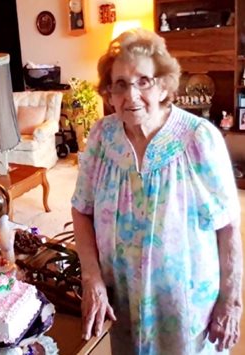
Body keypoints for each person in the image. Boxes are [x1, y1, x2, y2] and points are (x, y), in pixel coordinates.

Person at [71, 28, 242, 354]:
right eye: (119, 84)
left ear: (163, 85)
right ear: (108, 91)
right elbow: (81, 208)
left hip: (185, 309)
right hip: (122, 302)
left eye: (143, 81)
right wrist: (91, 279)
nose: (131, 95)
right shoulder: (102, 137)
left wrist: (231, 301)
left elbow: (230, 224)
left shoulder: (199, 139)